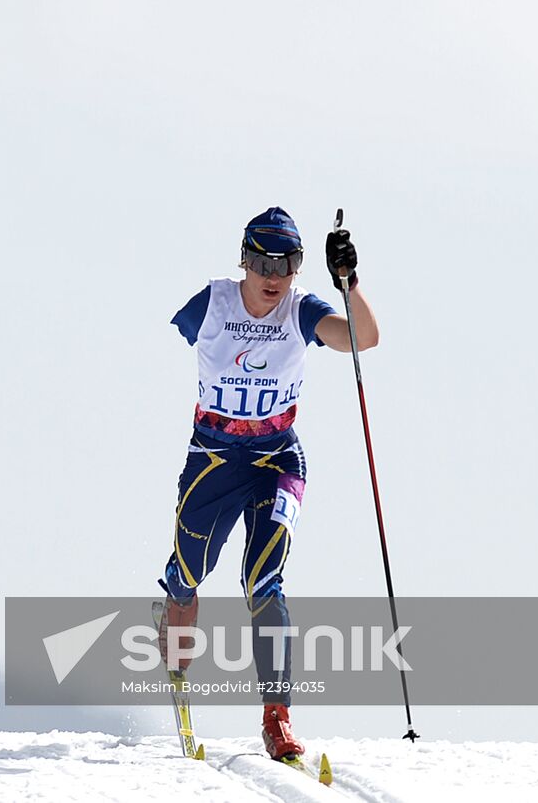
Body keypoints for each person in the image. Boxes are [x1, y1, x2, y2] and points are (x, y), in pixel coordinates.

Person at [157, 207, 378, 763]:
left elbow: (364, 339)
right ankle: (177, 638)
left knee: (265, 582)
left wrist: (349, 284)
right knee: (187, 574)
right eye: (260, 261)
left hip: (278, 458)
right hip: (213, 458)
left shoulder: (302, 311)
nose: (272, 275)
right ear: (243, 261)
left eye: (286, 263)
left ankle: (276, 718)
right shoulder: (212, 304)